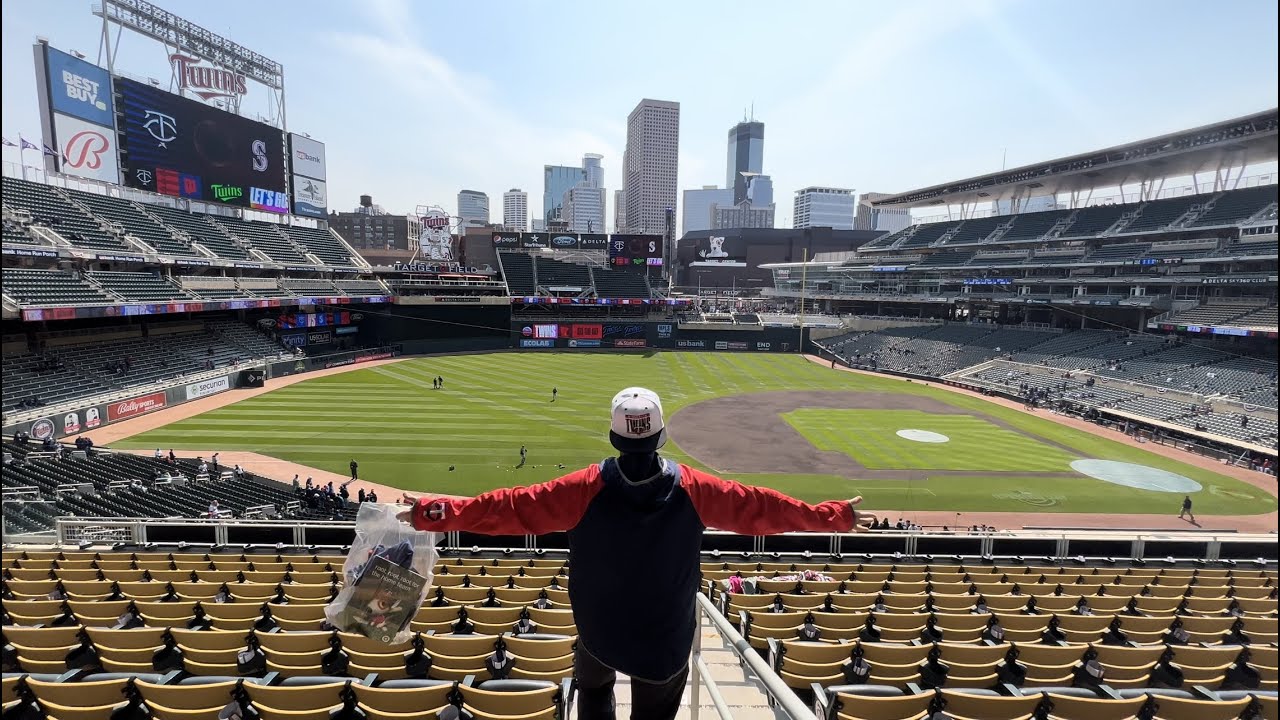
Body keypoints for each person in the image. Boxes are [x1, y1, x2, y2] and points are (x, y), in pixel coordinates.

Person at [398, 387, 874, 720]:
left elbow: (506, 509)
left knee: (595, 699)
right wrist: (833, 516)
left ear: (614, 437)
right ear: (661, 435)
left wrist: (433, 512)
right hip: (664, 642)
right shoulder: (696, 488)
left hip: (598, 633)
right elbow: (763, 510)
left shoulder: (581, 488)